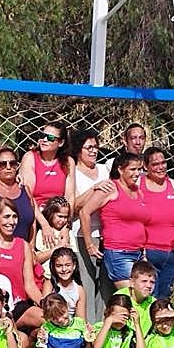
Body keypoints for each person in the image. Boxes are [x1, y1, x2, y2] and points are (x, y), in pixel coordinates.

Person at [79, 152, 148, 289]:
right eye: (133, 169)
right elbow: (84, 212)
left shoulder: (138, 191)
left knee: (142, 295)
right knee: (135, 294)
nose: (137, 173)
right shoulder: (110, 188)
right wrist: (89, 244)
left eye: (139, 169)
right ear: (120, 169)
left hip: (138, 252)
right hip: (119, 252)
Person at [69, 128, 112, 320]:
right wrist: (94, 189)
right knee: (87, 284)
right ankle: (88, 326)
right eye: (89, 147)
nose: (93, 151)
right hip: (82, 234)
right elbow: (73, 206)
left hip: (106, 234)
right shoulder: (74, 173)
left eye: (95, 147)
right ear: (79, 150)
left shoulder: (105, 169)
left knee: (105, 286)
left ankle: (102, 326)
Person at [140, 146, 174, 300]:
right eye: (155, 164)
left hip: (173, 252)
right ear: (145, 166)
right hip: (149, 252)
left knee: (164, 297)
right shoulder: (139, 185)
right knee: (148, 296)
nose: (160, 167)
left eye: (163, 162)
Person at [0, 198, 42, 315]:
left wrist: (47, 305)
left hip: (18, 305)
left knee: (45, 318)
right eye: (6, 217)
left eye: (14, 217)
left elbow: (30, 285)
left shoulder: (23, 245)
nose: (11, 222)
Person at [18, 121, 75, 234]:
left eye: (50, 138)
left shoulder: (68, 162)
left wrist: (66, 227)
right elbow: (28, 195)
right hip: (35, 216)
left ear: (61, 142)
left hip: (59, 219)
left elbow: (69, 197)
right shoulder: (30, 158)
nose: (44, 140)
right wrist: (44, 225)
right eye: (42, 135)